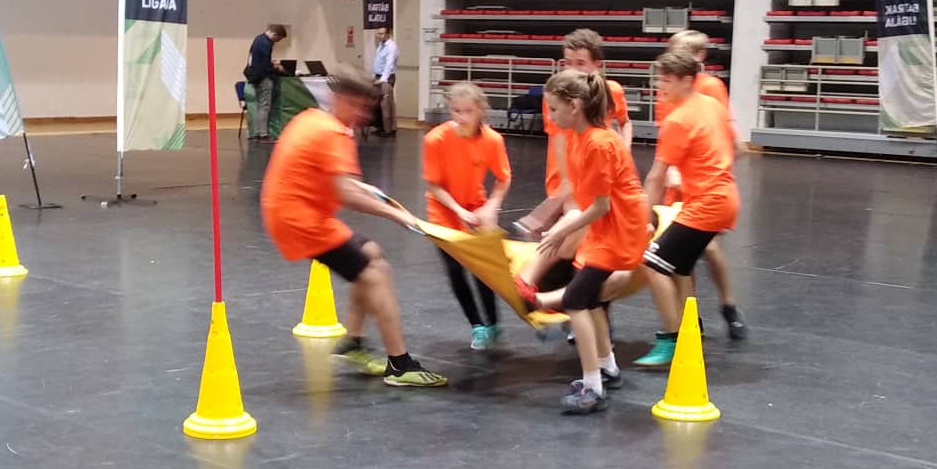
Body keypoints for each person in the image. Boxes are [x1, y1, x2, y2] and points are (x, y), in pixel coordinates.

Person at [261, 66, 446, 388]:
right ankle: (400, 365)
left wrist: (369, 191)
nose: (363, 115)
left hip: (295, 213)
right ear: (338, 98)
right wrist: (398, 216)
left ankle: (353, 343)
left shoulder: (312, 119)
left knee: (372, 254)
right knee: (375, 273)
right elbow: (346, 193)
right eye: (357, 106)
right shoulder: (332, 133)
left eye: (366, 108)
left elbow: (337, 178)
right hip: (301, 220)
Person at [519, 68, 650, 414]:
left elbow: (601, 205)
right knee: (589, 300)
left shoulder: (598, 143)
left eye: (554, 108)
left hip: (619, 230)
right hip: (607, 227)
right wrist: (552, 220)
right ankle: (608, 368)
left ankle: (592, 387)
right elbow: (583, 197)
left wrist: (561, 232)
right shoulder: (580, 138)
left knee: (576, 300)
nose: (550, 116)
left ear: (574, 106)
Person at [635, 51, 745, 368]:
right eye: (659, 79)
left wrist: (643, 219)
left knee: (652, 264)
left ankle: (671, 339)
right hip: (722, 197)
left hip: (707, 204)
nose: (660, 86)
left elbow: (656, 175)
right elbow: (730, 148)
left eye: (666, 81)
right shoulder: (710, 105)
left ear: (686, 80)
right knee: (680, 268)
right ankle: (688, 332)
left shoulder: (677, 120)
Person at [660, 32, 747, 340]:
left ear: (699, 59)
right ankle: (690, 317)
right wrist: (672, 170)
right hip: (679, 186)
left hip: (706, 187)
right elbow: (670, 138)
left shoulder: (710, 89)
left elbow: (725, 138)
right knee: (680, 261)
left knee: (707, 247)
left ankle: (728, 304)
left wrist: (712, 171)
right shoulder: (668, 91)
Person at [515, 28, 631, 240]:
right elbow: (558, 140)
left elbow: (625, 123)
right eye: (568, 62)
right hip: (566, 177)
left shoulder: (611, 90)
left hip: (598, 175)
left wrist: (623, 154)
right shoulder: (558, 95)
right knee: (567, 239)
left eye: (580, 63)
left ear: (597, 64)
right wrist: (566, 185)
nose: (572, 69)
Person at [424, 83, 513, 352]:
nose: (462, 117)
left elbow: (503, 178)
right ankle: (477, 325)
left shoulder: (492, 140)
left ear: (480, 110)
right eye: (456, 111)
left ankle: (493, 323)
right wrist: (458, 211)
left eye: (468, 111)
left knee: (482, 269)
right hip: (443, 211)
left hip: (476, 207)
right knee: (455, 269)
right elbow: (434, 185)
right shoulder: (435, 140)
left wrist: (491, 206)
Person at [244, 23, 288, 141]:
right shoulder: (266, 44)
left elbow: (254, 59)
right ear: (275, 34)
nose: (277, 42)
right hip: (263, 78)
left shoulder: (258, 39)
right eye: (278, 39)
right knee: (264, 106)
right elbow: (265, 66)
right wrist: (276, 68)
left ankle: (255, 133)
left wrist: (269, 63)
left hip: (254, 76)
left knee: (257, 106)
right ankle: (263, 134)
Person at [371, 25, 399, 137]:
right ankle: (381, 127)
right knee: (378, 104)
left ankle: (389, 130)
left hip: (386, 77)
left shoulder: (391, 47)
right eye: (378, 33)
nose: (379, 36)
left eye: (382, 33)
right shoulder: (381, 45)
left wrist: (383, 79)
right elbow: (378, 62)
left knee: (386, 104)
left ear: (388, 34)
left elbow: (389, 64)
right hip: (378, 76)